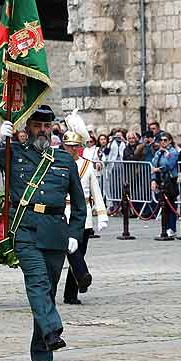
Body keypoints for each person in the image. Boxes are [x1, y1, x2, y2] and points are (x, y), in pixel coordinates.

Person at [0, 106, 85, 361]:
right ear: (27, 127)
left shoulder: (65, 161)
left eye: (46, 125)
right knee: (38, 282)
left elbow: (79, 204)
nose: (42, 130)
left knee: (47, 293)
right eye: (37, 125)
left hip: (55, 232)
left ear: (53, 128)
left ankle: (43, 354)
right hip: (26, 231)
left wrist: (75, 235)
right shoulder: (14, 152)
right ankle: (53, 330)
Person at [60, 128, 110, 304]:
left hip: (85, 215)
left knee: (80, 251)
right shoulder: (57, 163)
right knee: (71, 252)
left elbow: (96, 191)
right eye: (69, 146)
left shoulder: (87, 165)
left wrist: (102, 215)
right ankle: (82, 274)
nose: (72, 149)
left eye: (75, 146)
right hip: (63, 213)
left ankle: (70, 294)